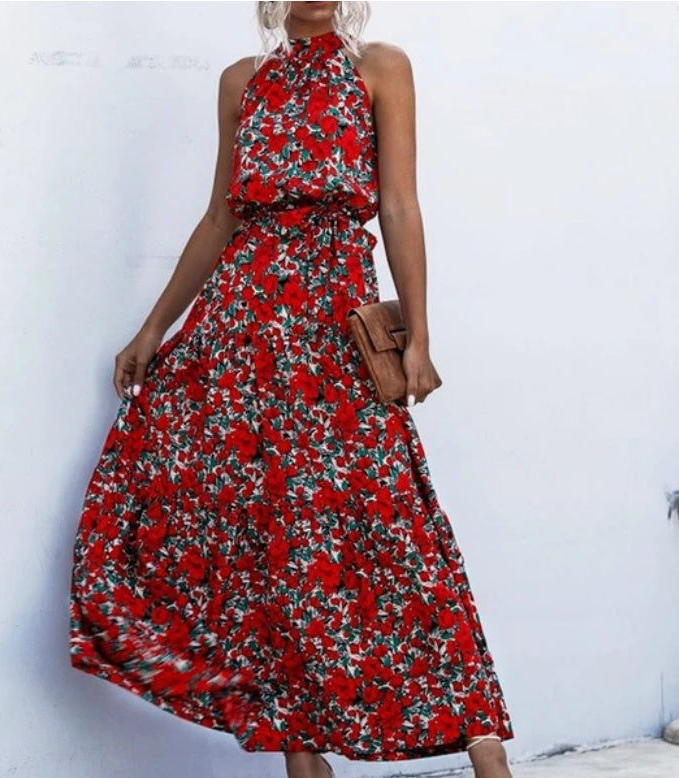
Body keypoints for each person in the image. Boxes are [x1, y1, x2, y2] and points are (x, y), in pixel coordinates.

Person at [68, 2, 516, 777]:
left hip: (334, 330)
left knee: (393, 522)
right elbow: (220, 219)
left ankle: (483, 746)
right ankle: (303, 758)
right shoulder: (241, 81)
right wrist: (152, 329)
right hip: (239, 334)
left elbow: (398, 204)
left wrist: (418, 334)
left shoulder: (379, 67)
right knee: (263, 536)